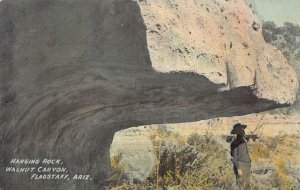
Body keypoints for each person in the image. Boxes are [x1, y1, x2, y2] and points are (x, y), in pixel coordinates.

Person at [230, 123, 251, 190]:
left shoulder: (243, 142)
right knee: (240, 186)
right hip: (241, 166)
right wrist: (238, 169)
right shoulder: (235, 143)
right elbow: (235, 158)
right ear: (239, 133)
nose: (244, 132)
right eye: (242, 131)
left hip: (246, 165)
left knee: (247, 186)